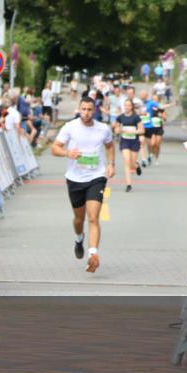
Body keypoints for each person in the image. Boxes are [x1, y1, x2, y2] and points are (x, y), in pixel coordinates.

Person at [51, 97, 115, 273]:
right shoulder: (70, 127)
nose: (86, 113)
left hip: (97, 177)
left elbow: (110, 146)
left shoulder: (103, 129)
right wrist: (67, 153)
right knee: (79, 219)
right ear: (78, 109)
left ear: (95, 110)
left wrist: (111, 164)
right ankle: (79, 239)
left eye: (89, 109)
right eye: (83, 109)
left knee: (93, 217)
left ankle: (92, 254)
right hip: (75, 178)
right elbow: (54, 148)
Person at [113, 98, 143, 191]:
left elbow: (142, 130)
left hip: (134, 142)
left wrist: (132, 131)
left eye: (129, 105)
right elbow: (116, 129)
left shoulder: (136, 117)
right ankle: (128, 185)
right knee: (127, 160)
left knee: (132, 164)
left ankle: (136, 165)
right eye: (125, 105)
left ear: (132, 107)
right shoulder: (120, 117)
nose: (127, 107)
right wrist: (118, 130)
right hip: (125, 141)